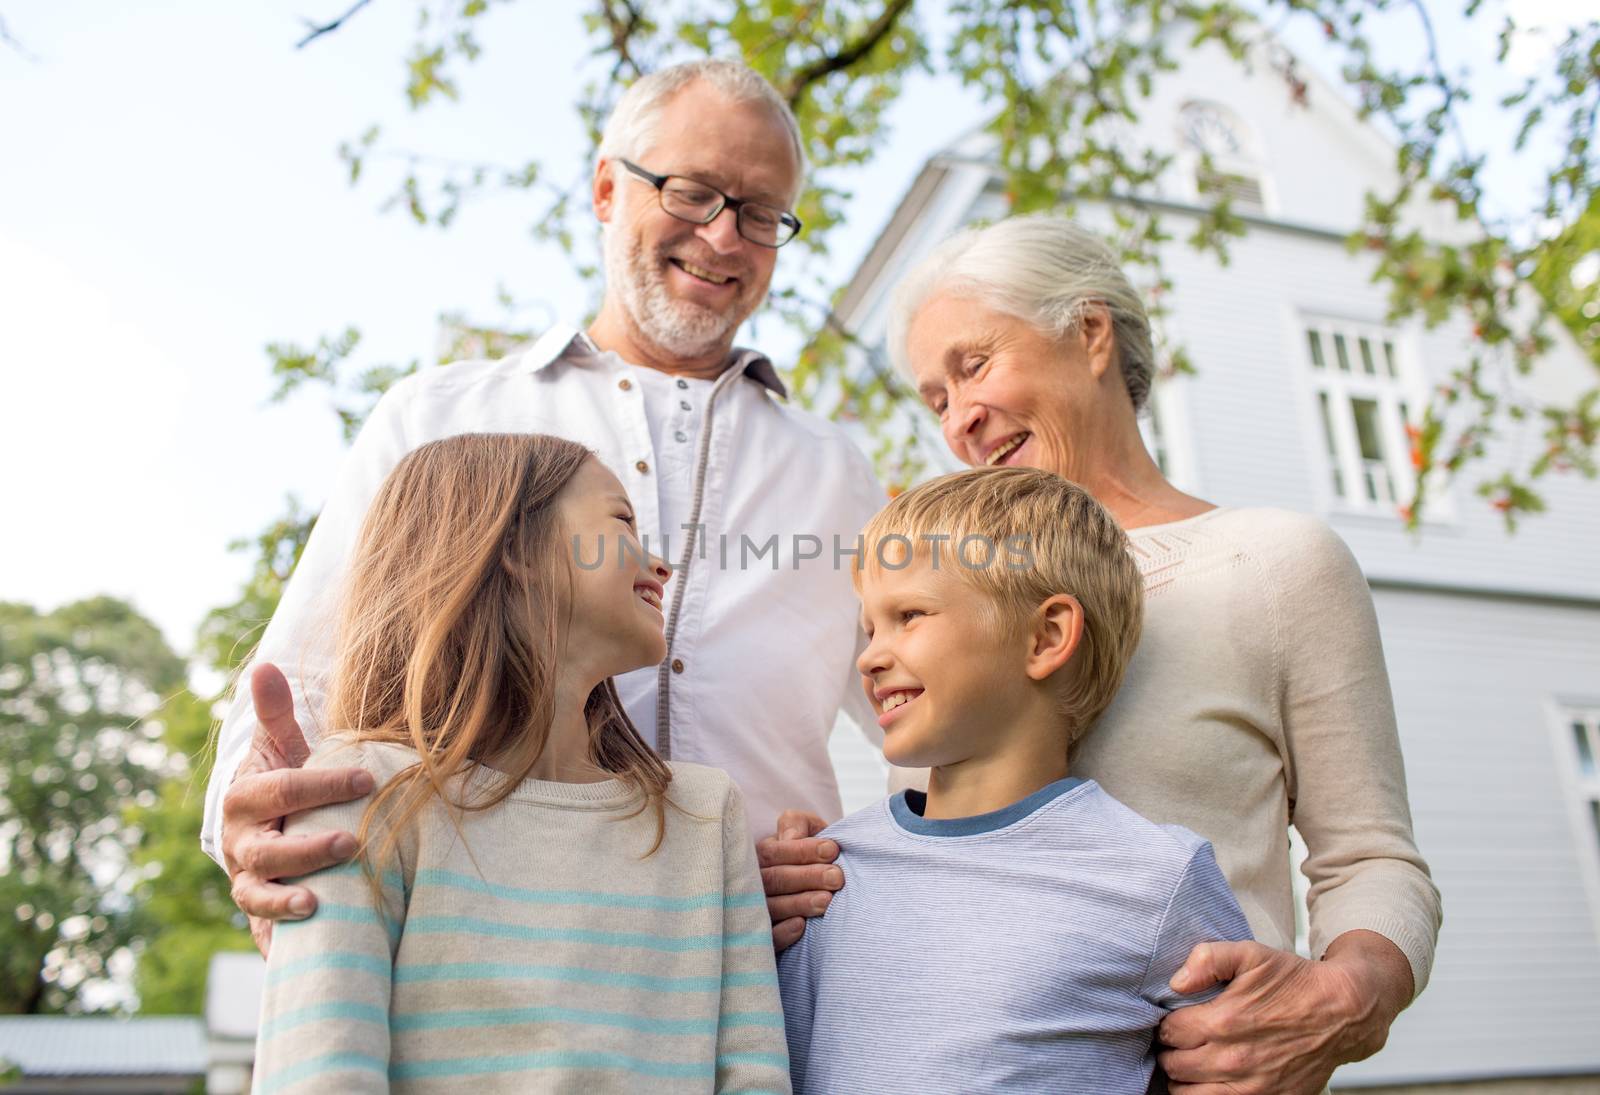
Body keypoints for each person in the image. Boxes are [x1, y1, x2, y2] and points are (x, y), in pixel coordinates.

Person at [205, 59, 880, 953]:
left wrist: (854, 859)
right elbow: (302, 690)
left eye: (761, 213)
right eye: (693, 193)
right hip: (487, 972)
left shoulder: (840, 468)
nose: (724, 239)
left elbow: (939, 726)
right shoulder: (440, 418)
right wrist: (253, 820)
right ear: (608, 188)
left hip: (777, 979)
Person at [864, 212, 1443, 1094]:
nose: (960, 420)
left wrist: (1345, 995)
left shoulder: (1275, 562)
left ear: (1090, 333)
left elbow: (1370, 856)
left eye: (974, 364)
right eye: (936, 399)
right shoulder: (935, 598)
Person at [252, 433, 790, 1094]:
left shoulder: (705, 815)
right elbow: (319, 1074)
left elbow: (753, 1072)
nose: (660, 563)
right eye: (623, 521)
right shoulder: (360, 790)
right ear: (514, 546)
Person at [777, 467, 1254, 1093]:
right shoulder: (823, 878)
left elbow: (1246, 1068)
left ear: (1046, 636)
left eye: (909, 615)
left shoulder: (1159, 877)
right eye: (870, 628)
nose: (868, 656)